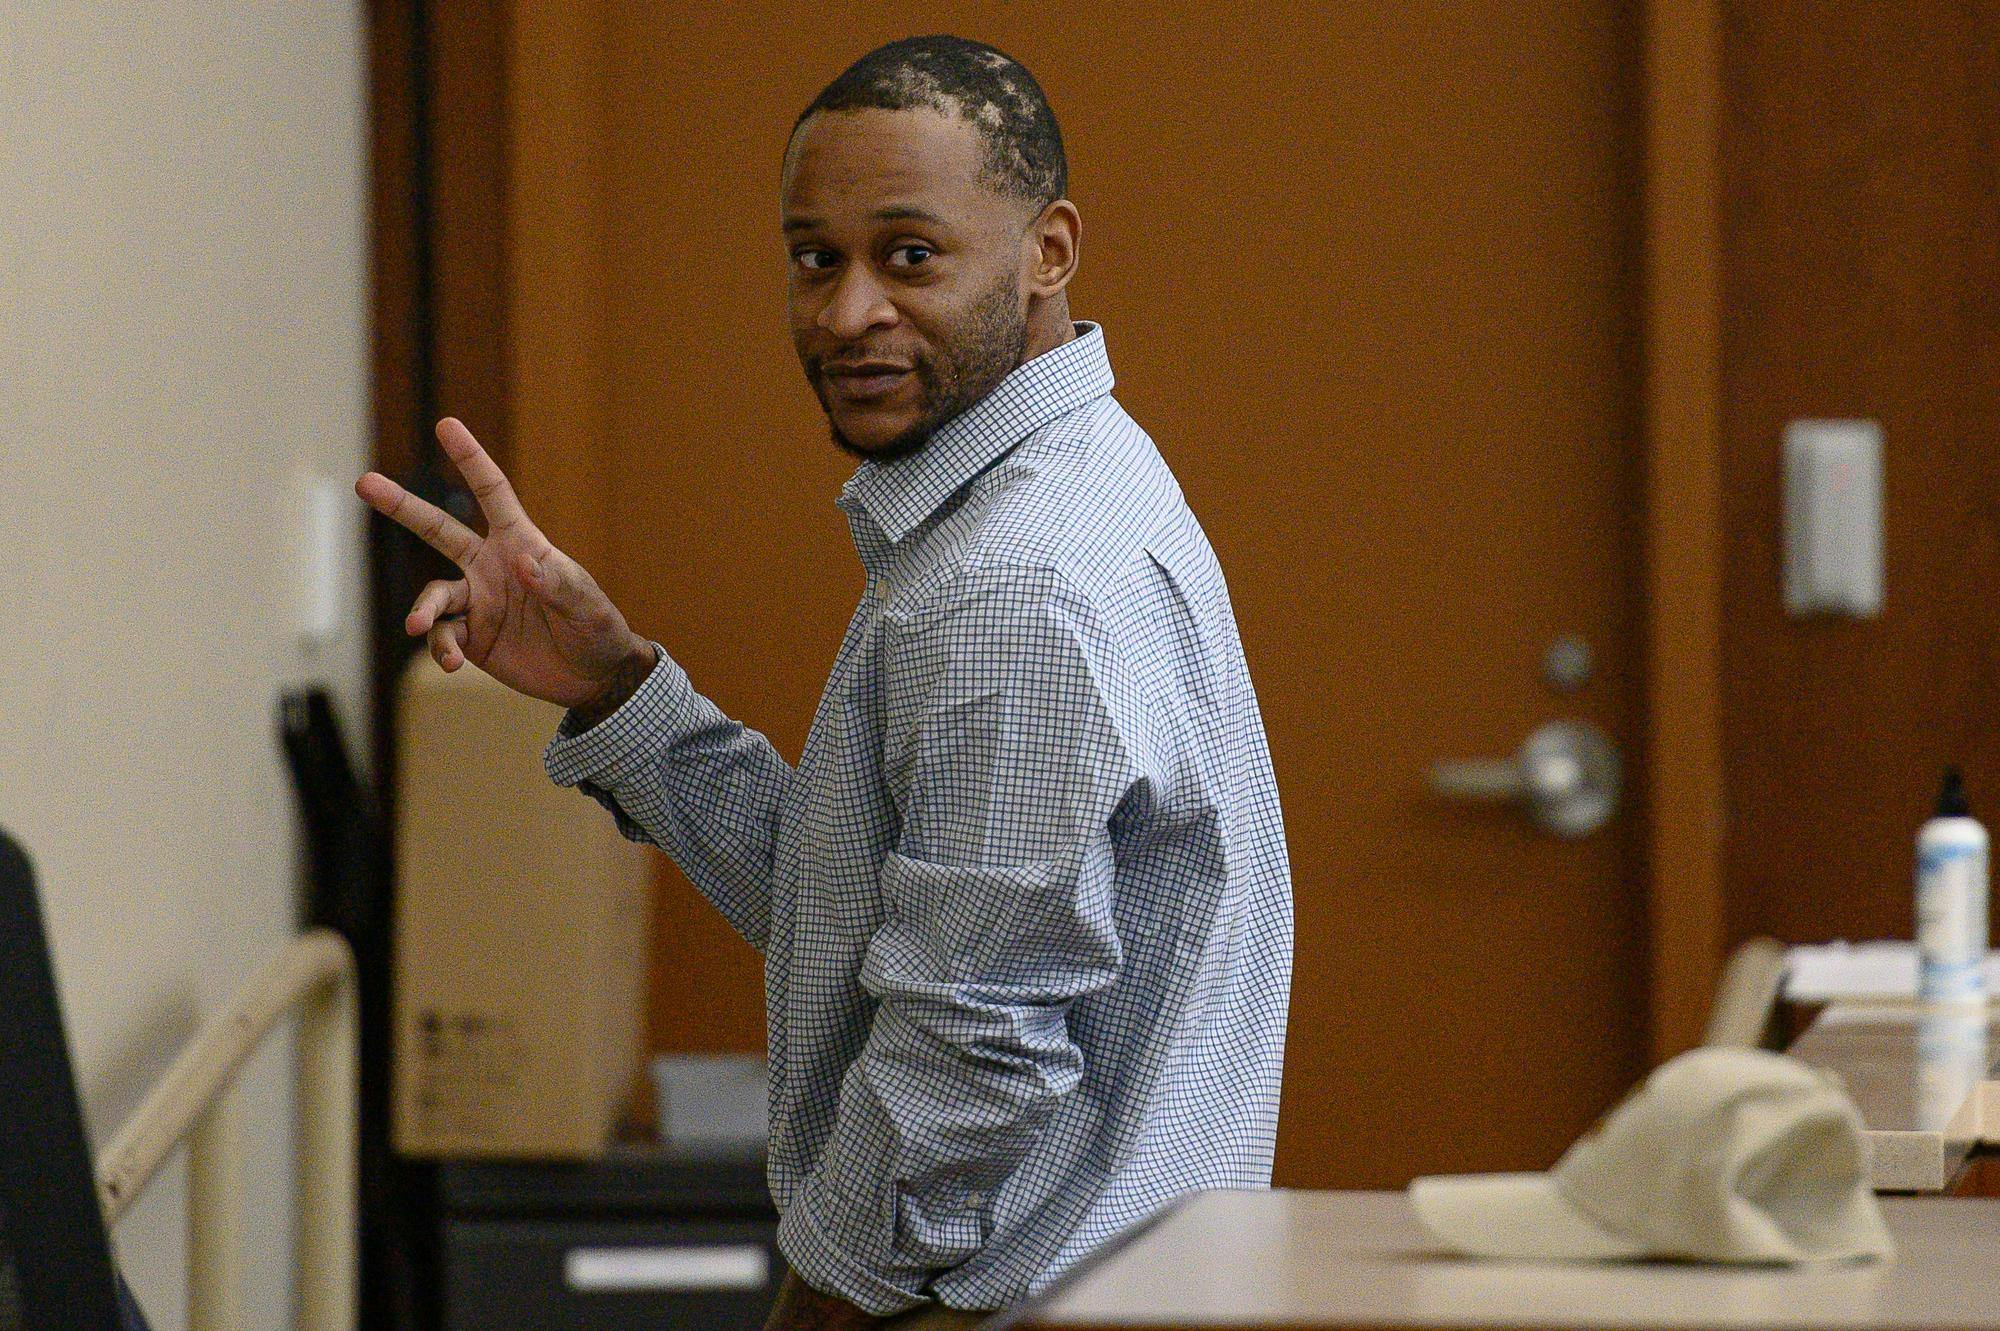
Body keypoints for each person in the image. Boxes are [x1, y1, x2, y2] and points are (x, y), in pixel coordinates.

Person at [357, 34, 1292, 1331]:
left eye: (910, 256)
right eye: (816, 258)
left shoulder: (1021, 581)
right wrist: (623, 690)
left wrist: (827, 1301)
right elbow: (872, 916)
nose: (850, 312)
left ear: (1048, 251)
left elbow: (976, 1040)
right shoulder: (1033, 501)